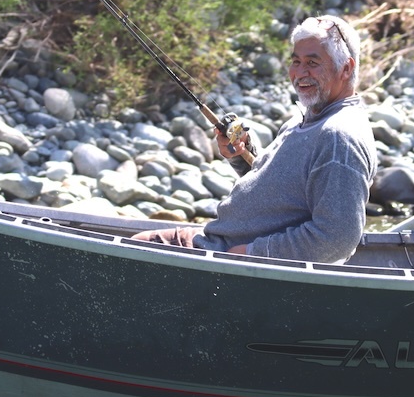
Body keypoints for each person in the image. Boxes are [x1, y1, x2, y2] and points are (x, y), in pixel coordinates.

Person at [132, 15, 377, 263]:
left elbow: (337, 239)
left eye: (313, 62)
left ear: (346, 68)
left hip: (229, 260)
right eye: (296, 61)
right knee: (138, 247)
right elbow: (282, 196)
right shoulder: (306, 119)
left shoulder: (339, 137)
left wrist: (251, 254)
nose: (300, 73)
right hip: (218, 243)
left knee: (133, 255)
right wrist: (241, 155)